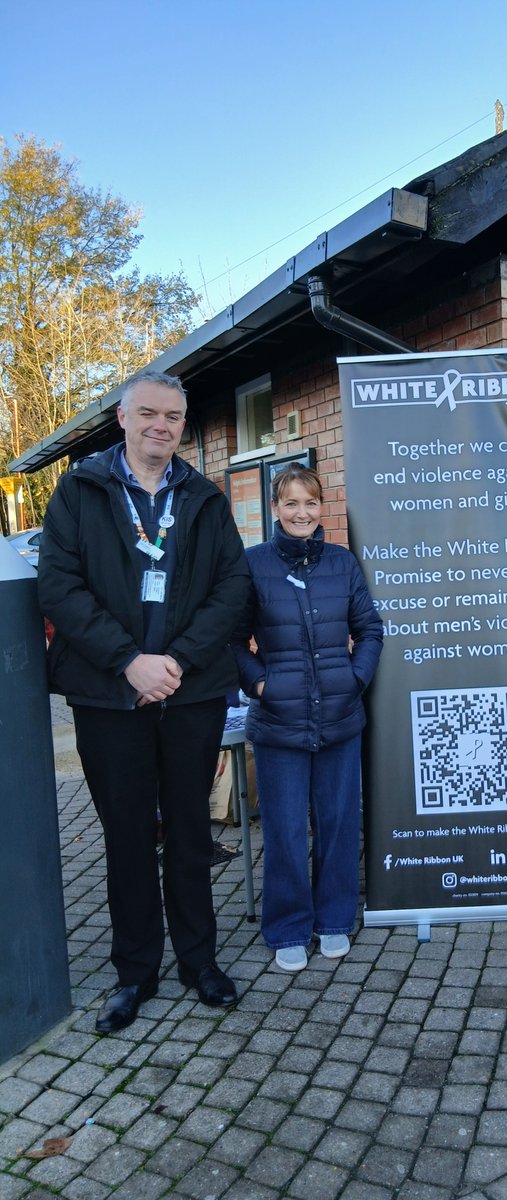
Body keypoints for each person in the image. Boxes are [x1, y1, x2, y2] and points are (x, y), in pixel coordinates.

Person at [38, 370, 251, 1033]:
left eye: (174, 417)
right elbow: (59, 587)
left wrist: (178, 660)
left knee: (189, 831)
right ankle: (136, 971)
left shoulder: (204, 497)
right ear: (123, 418)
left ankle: (198, 961)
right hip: (109, 695)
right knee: (128, 837)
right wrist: (129, 661)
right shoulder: (79, 491)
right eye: (150, 414)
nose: (162, 426)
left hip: (192, 692)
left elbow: (233, 584)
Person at [231, 465, 383, 972]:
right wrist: (260, 684)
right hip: (278, 722)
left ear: (323, 508)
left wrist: (355, 678)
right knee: (286, 830)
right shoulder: (252, 564)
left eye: (311, 503)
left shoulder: (342, 563)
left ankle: (335, 919)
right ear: (275, 509)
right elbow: (232, 639)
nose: (302, 513)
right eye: (291, 503)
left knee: (340, 825)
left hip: (340, 717)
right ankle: (289, 926)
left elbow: (370, 629)